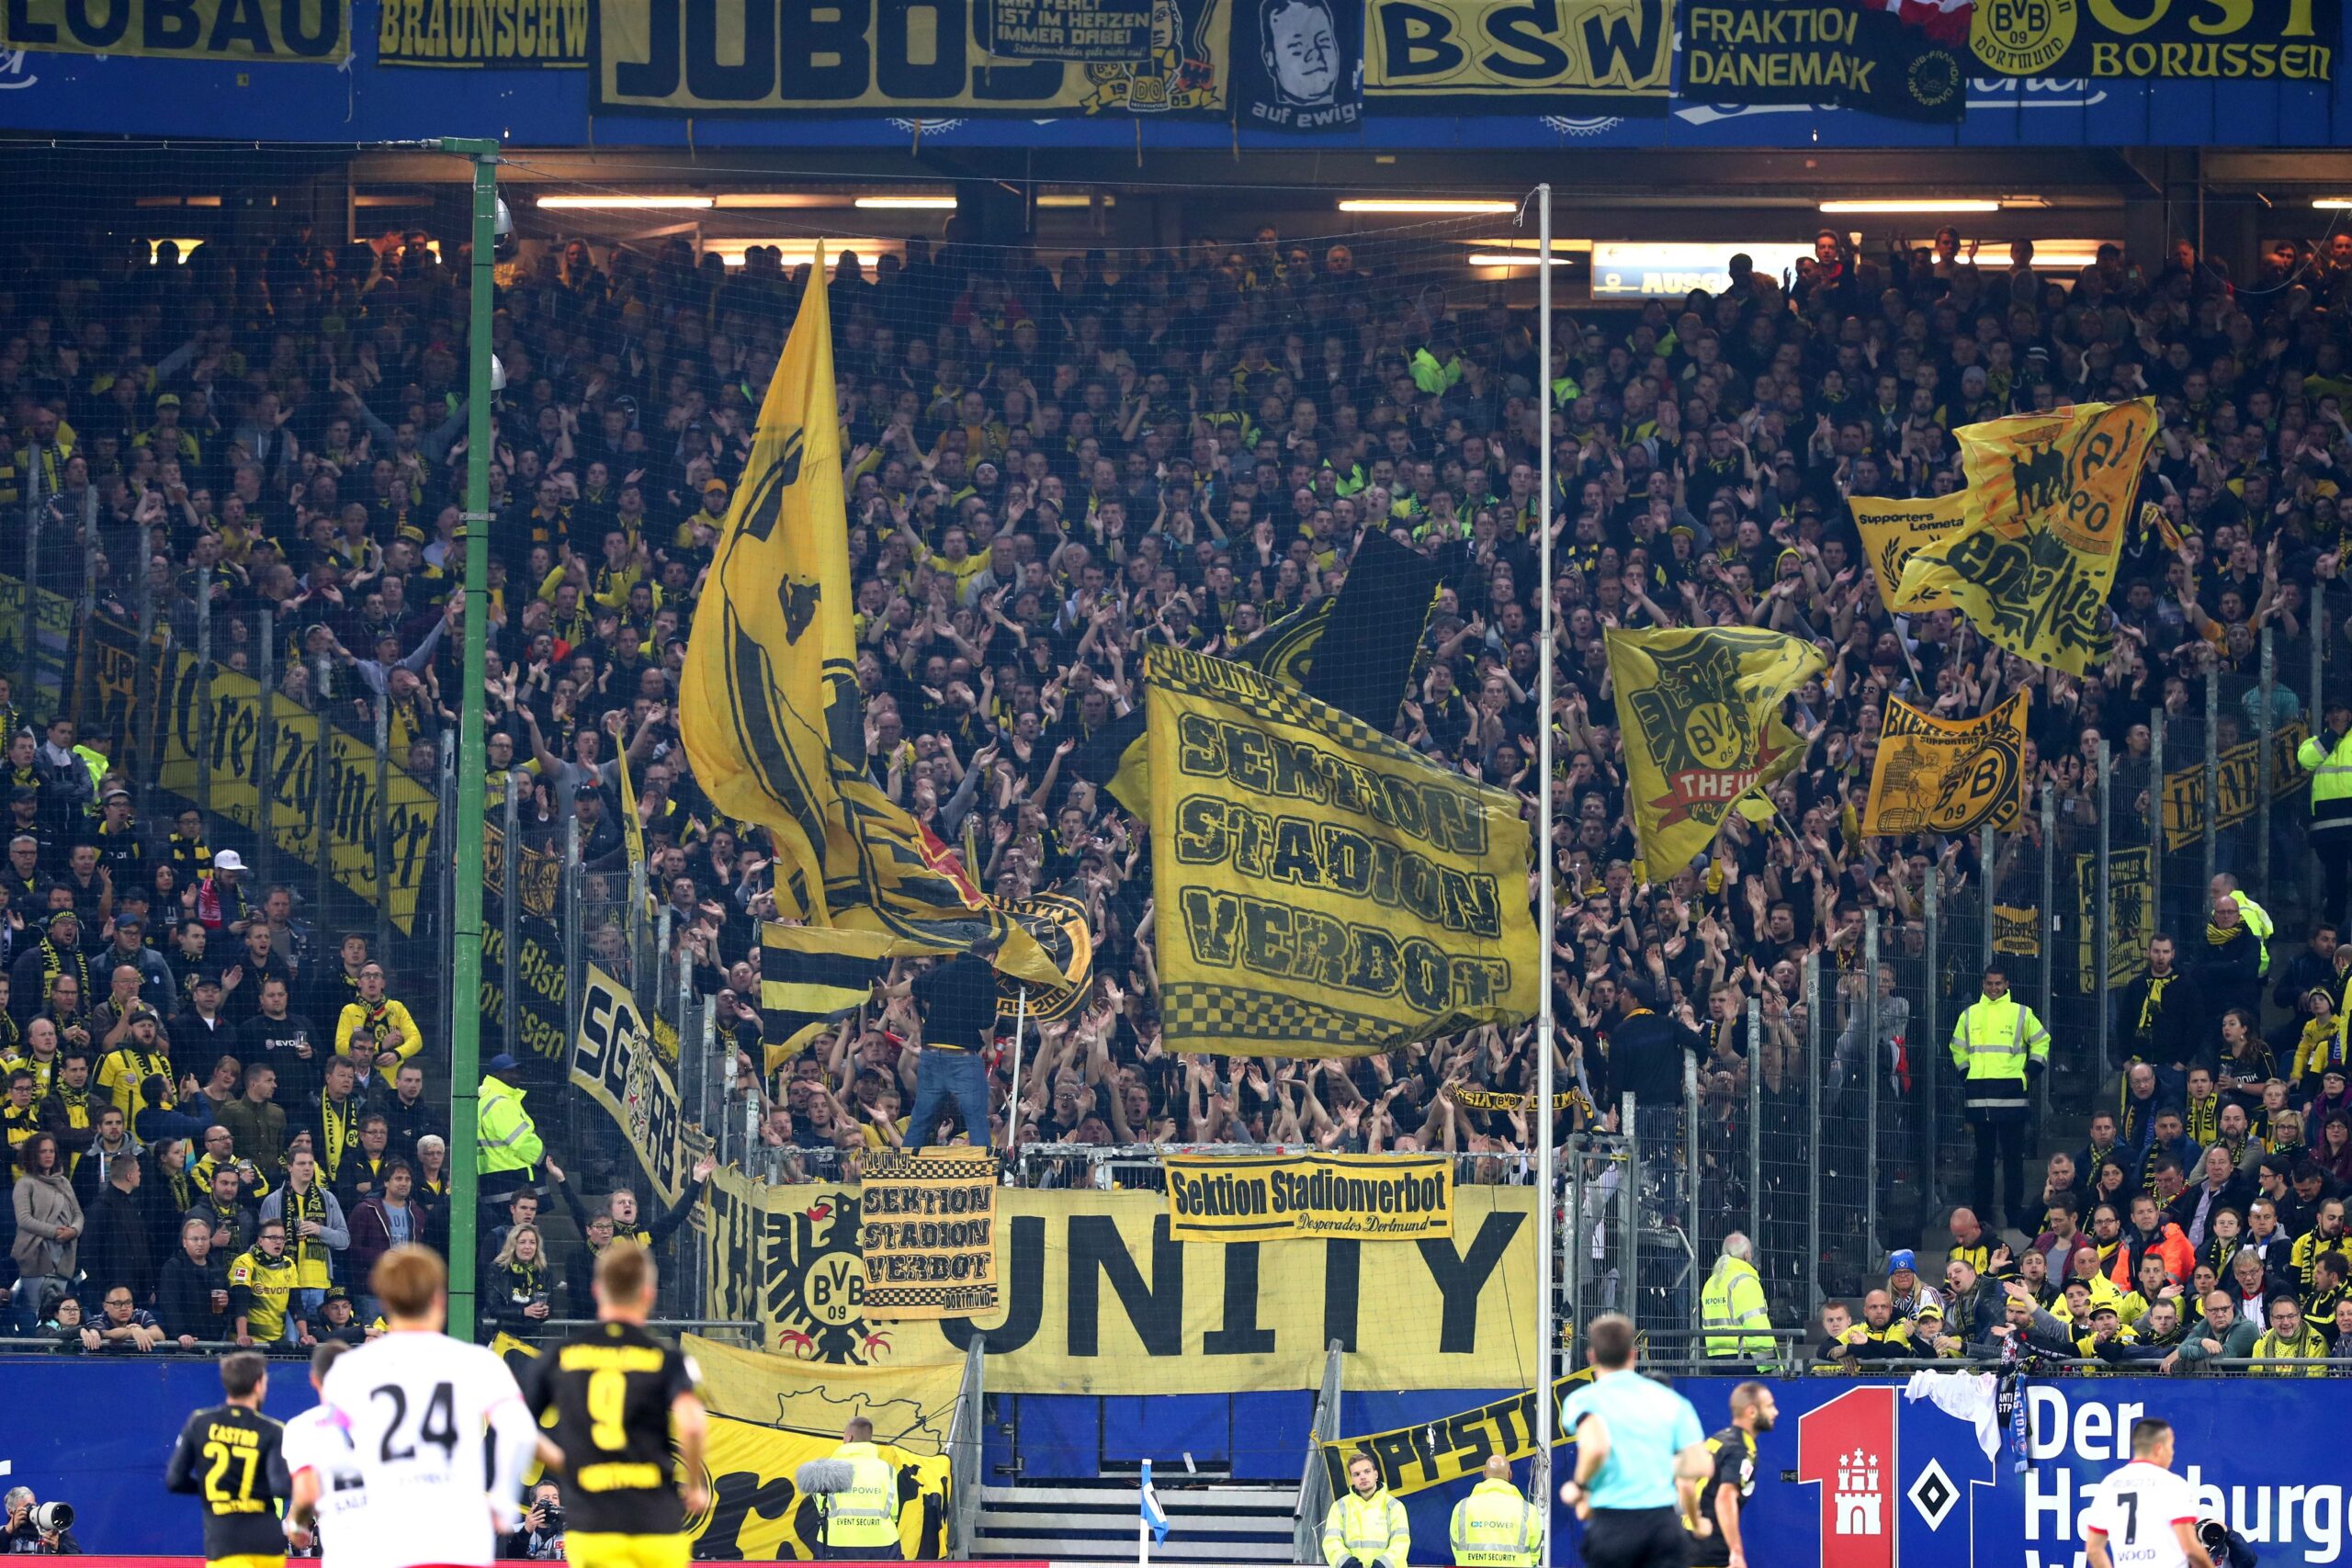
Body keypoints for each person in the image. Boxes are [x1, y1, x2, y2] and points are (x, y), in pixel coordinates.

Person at [309, 1247, 538, 1568]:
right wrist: (501, 1496)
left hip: (385, 1536)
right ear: (440, 1300)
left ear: (385, 1303)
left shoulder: (349, 1370)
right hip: (457, 1536)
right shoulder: (477, 1362)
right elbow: (520, 1432)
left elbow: (329, 1448)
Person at [526, 1242, 711, 1568]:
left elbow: (516, 1426)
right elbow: (693, 1423)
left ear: (596, 1290)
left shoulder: (562, 1355)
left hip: (594, 1525)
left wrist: (567, 1464)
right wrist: (695, 1486)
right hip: (655, 1523)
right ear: (649, 1294)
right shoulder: (666, 1358)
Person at [1558, 1314, 1711, 1568]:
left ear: (1591, 1356)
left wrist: (1580, 1486)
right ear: (1634, 1353)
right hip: (1663, 1528)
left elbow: (1595, 1446)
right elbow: (1701, 1465)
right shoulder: (1672, 1401)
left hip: (1612, 1529)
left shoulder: (1581, 1400)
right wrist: (1659, 1463)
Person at [166, 1349, 291, 1568]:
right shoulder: (273, 1429)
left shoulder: (199, 1422)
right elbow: (281, 1487)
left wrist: (213, 1488)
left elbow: (174, 1480)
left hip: (225, 1542)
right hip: (268, 1544)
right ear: (258, 1384)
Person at [1949, 963, 2050, 1231]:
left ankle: (2013, 1213)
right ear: (1983, 984)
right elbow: (1957, 1048)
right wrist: (1966, 1074)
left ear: (2006, 985)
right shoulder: (1970, 1015)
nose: (1993, 988)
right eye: (1989, 983)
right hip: (1980, 1096)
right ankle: (1982, 1215)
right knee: (1983, 1160)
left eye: (1998, 983)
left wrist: (2029, 1074)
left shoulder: (2021, 1013)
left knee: (2013, 1159)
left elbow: (2042, 1041)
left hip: (2011, 1096)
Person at [2080, 1417, 2213, 1568]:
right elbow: (2190, 1550)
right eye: (2170, 1446)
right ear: (2158, 1449)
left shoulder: (2109, 1485)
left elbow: (2093, 1549)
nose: (2172, 1453)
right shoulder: (2172, 1484)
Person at [280, 1341, 367, 1565]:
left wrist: (297, 1525)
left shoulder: (301, 1427)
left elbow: (305, 1492)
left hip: (343, 1550)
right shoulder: (382, 1417)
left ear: (314, 1379)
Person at [1687, 1382, 1776, 1568]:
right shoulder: (1741, 1448)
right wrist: (1736, 1552)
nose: (1775, 1412)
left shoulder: (1717, 1439)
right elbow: (1725, 1497)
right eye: (1769, 1406)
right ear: (1751, 1412)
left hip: (1688, 1541)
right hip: (1710, 1548)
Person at [2302, 700, 2352, 929]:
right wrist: (2333, 735)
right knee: (2335, 881)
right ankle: (2336, 930)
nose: (2335, 715)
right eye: (2331, 711)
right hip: (2328, 828)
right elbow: (2306, 759)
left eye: (2339, 710)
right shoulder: (2316, 742)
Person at [1447, 1455, 1540, 1567]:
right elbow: (1535, 1554)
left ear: (1484, 1473)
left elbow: (1455, 1547)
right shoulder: (1528, 1510)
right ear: (1510, 1474)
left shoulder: (1462, 1507)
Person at [1699, 1231, 1775, 1366]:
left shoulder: (1711, 1282)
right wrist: (1768, 1362)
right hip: (1744, 1357)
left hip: (1715, 1357)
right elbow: (1756, 1324)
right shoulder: (1745, 1281)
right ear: (1747, 1255)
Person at [1321, 1452, 1408, 1568]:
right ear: (1352, 1479)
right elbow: (1331, 1542)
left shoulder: (1395, 1506)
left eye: (1367, 1471)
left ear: (1376, 1474)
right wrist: (1348, 1564)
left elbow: (1401, 1542)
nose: (1362, 1477)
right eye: (1356, 1474)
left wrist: (1383, 1565)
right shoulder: (1339, 1507)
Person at [478, 1054, 546, 1201]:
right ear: (496, 1074)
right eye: (509, 1072)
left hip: (493, 1174)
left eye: (517, 1071)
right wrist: (543, 1158)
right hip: (513, 1174)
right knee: (519, 1221)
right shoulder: (501, 1103)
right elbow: (521, 1141)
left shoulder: (487, 1098)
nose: (516, 1076)